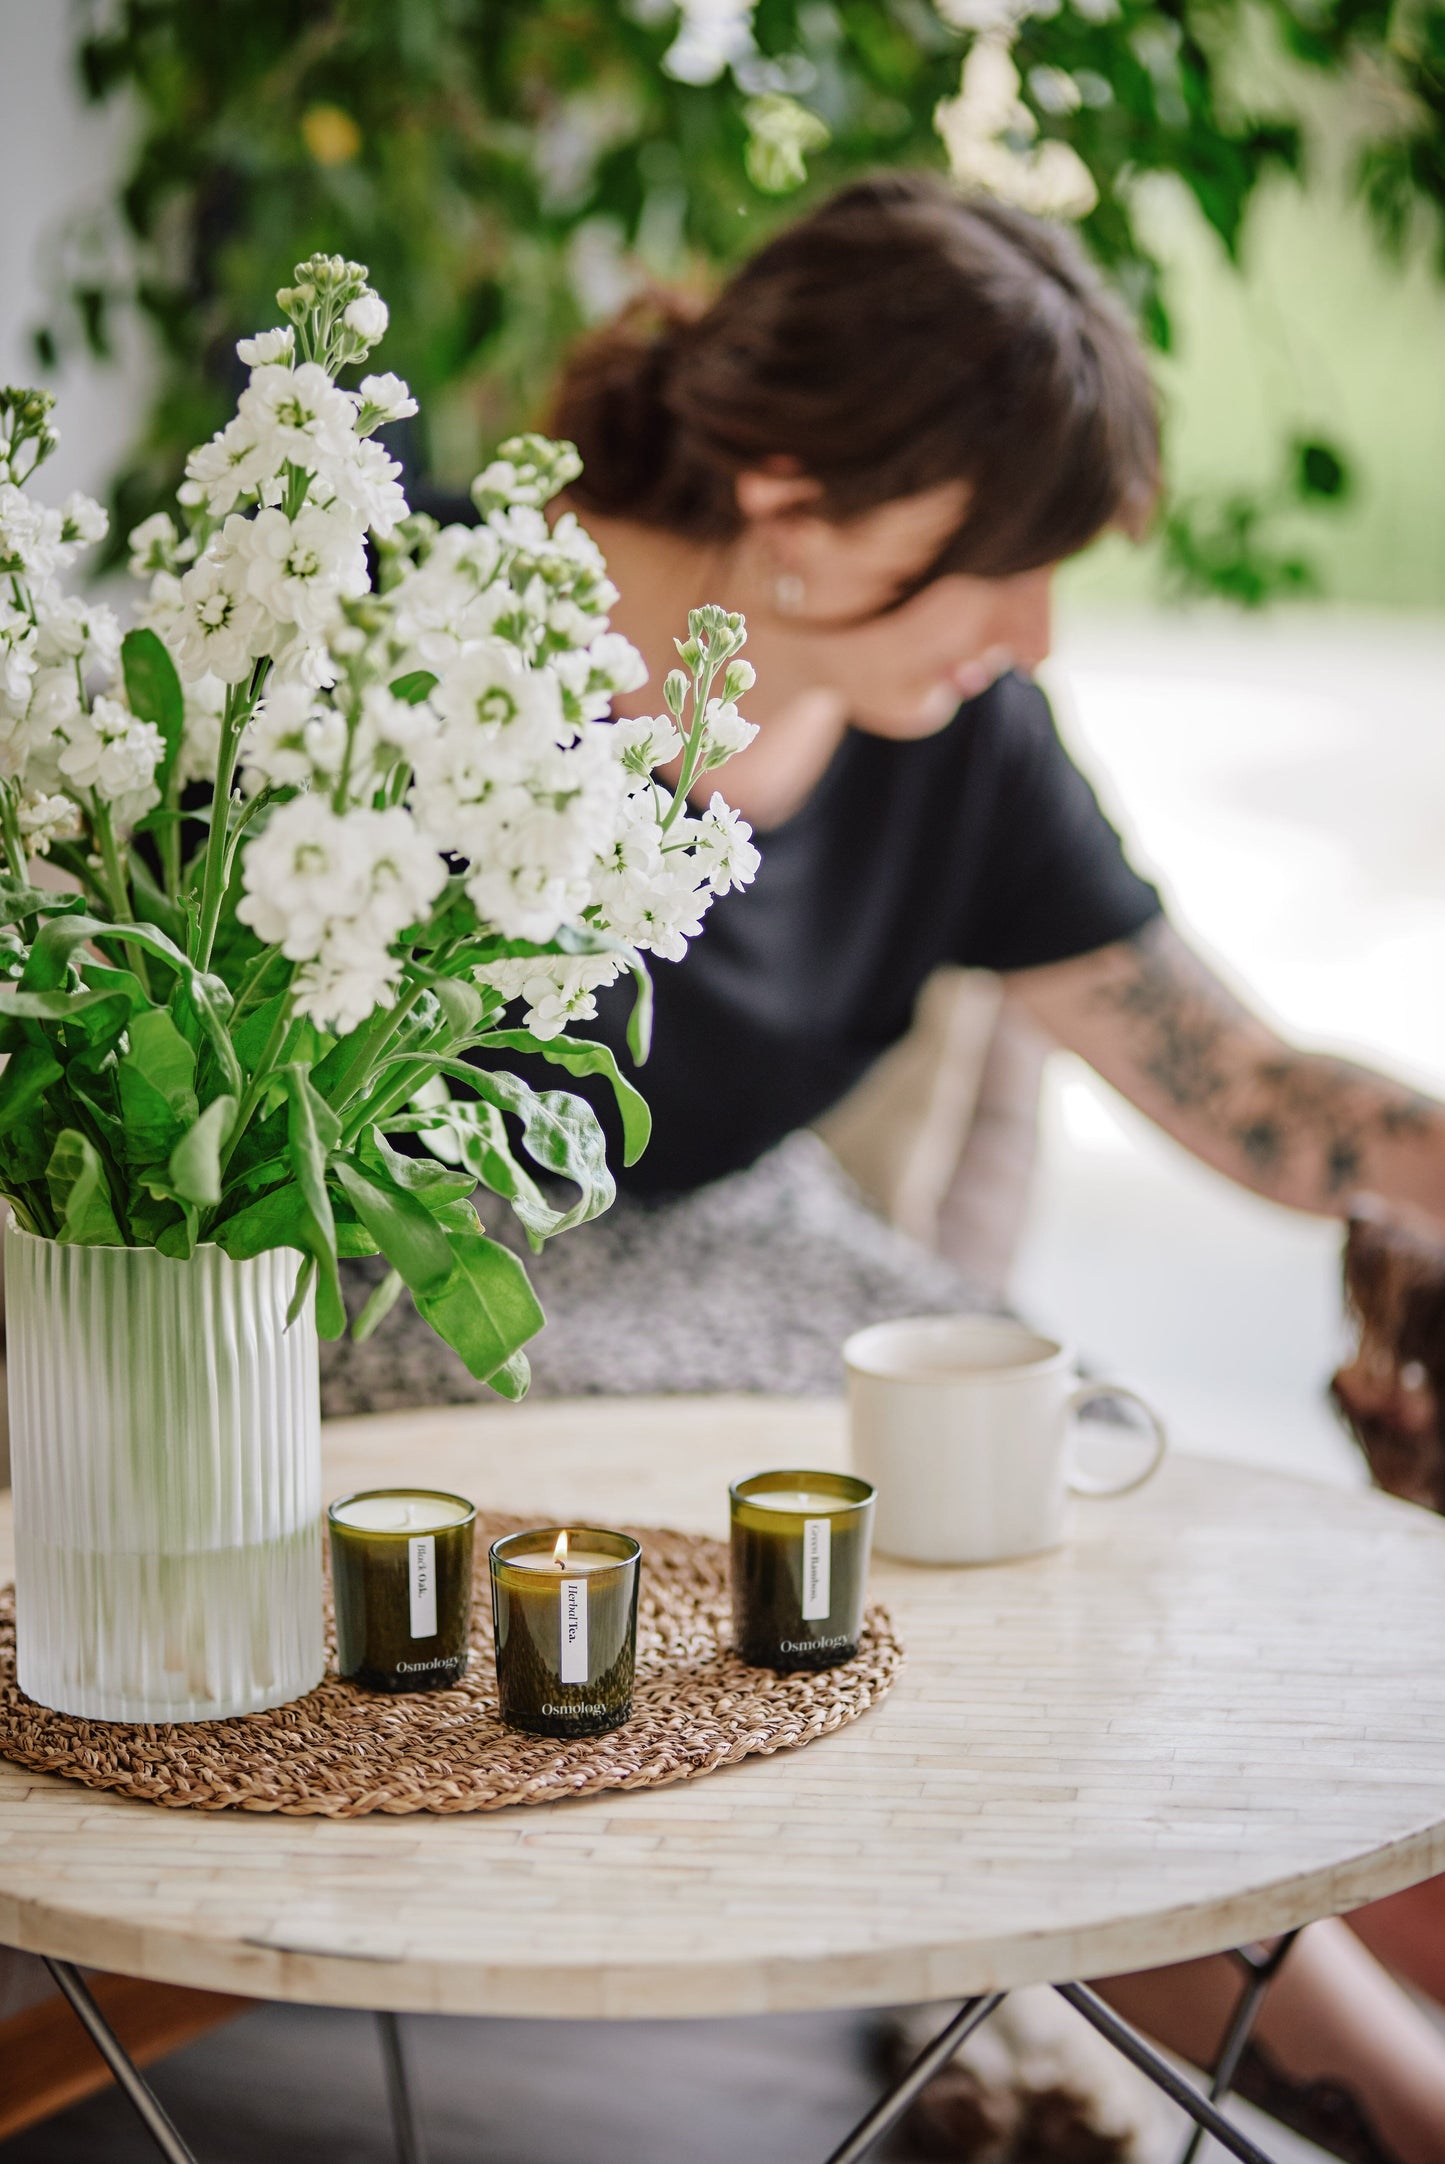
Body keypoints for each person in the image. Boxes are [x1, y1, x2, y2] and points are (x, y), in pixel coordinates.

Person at [533, 171, 1445, 2164]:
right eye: (1000, 565)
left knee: (1094, 1484)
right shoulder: (426, 640)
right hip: (414, 1282)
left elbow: (1240, 1081)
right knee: (978, 1569)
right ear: (793, 499)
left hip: (748, 1252)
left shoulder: (952, 727)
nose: (1032, 632)